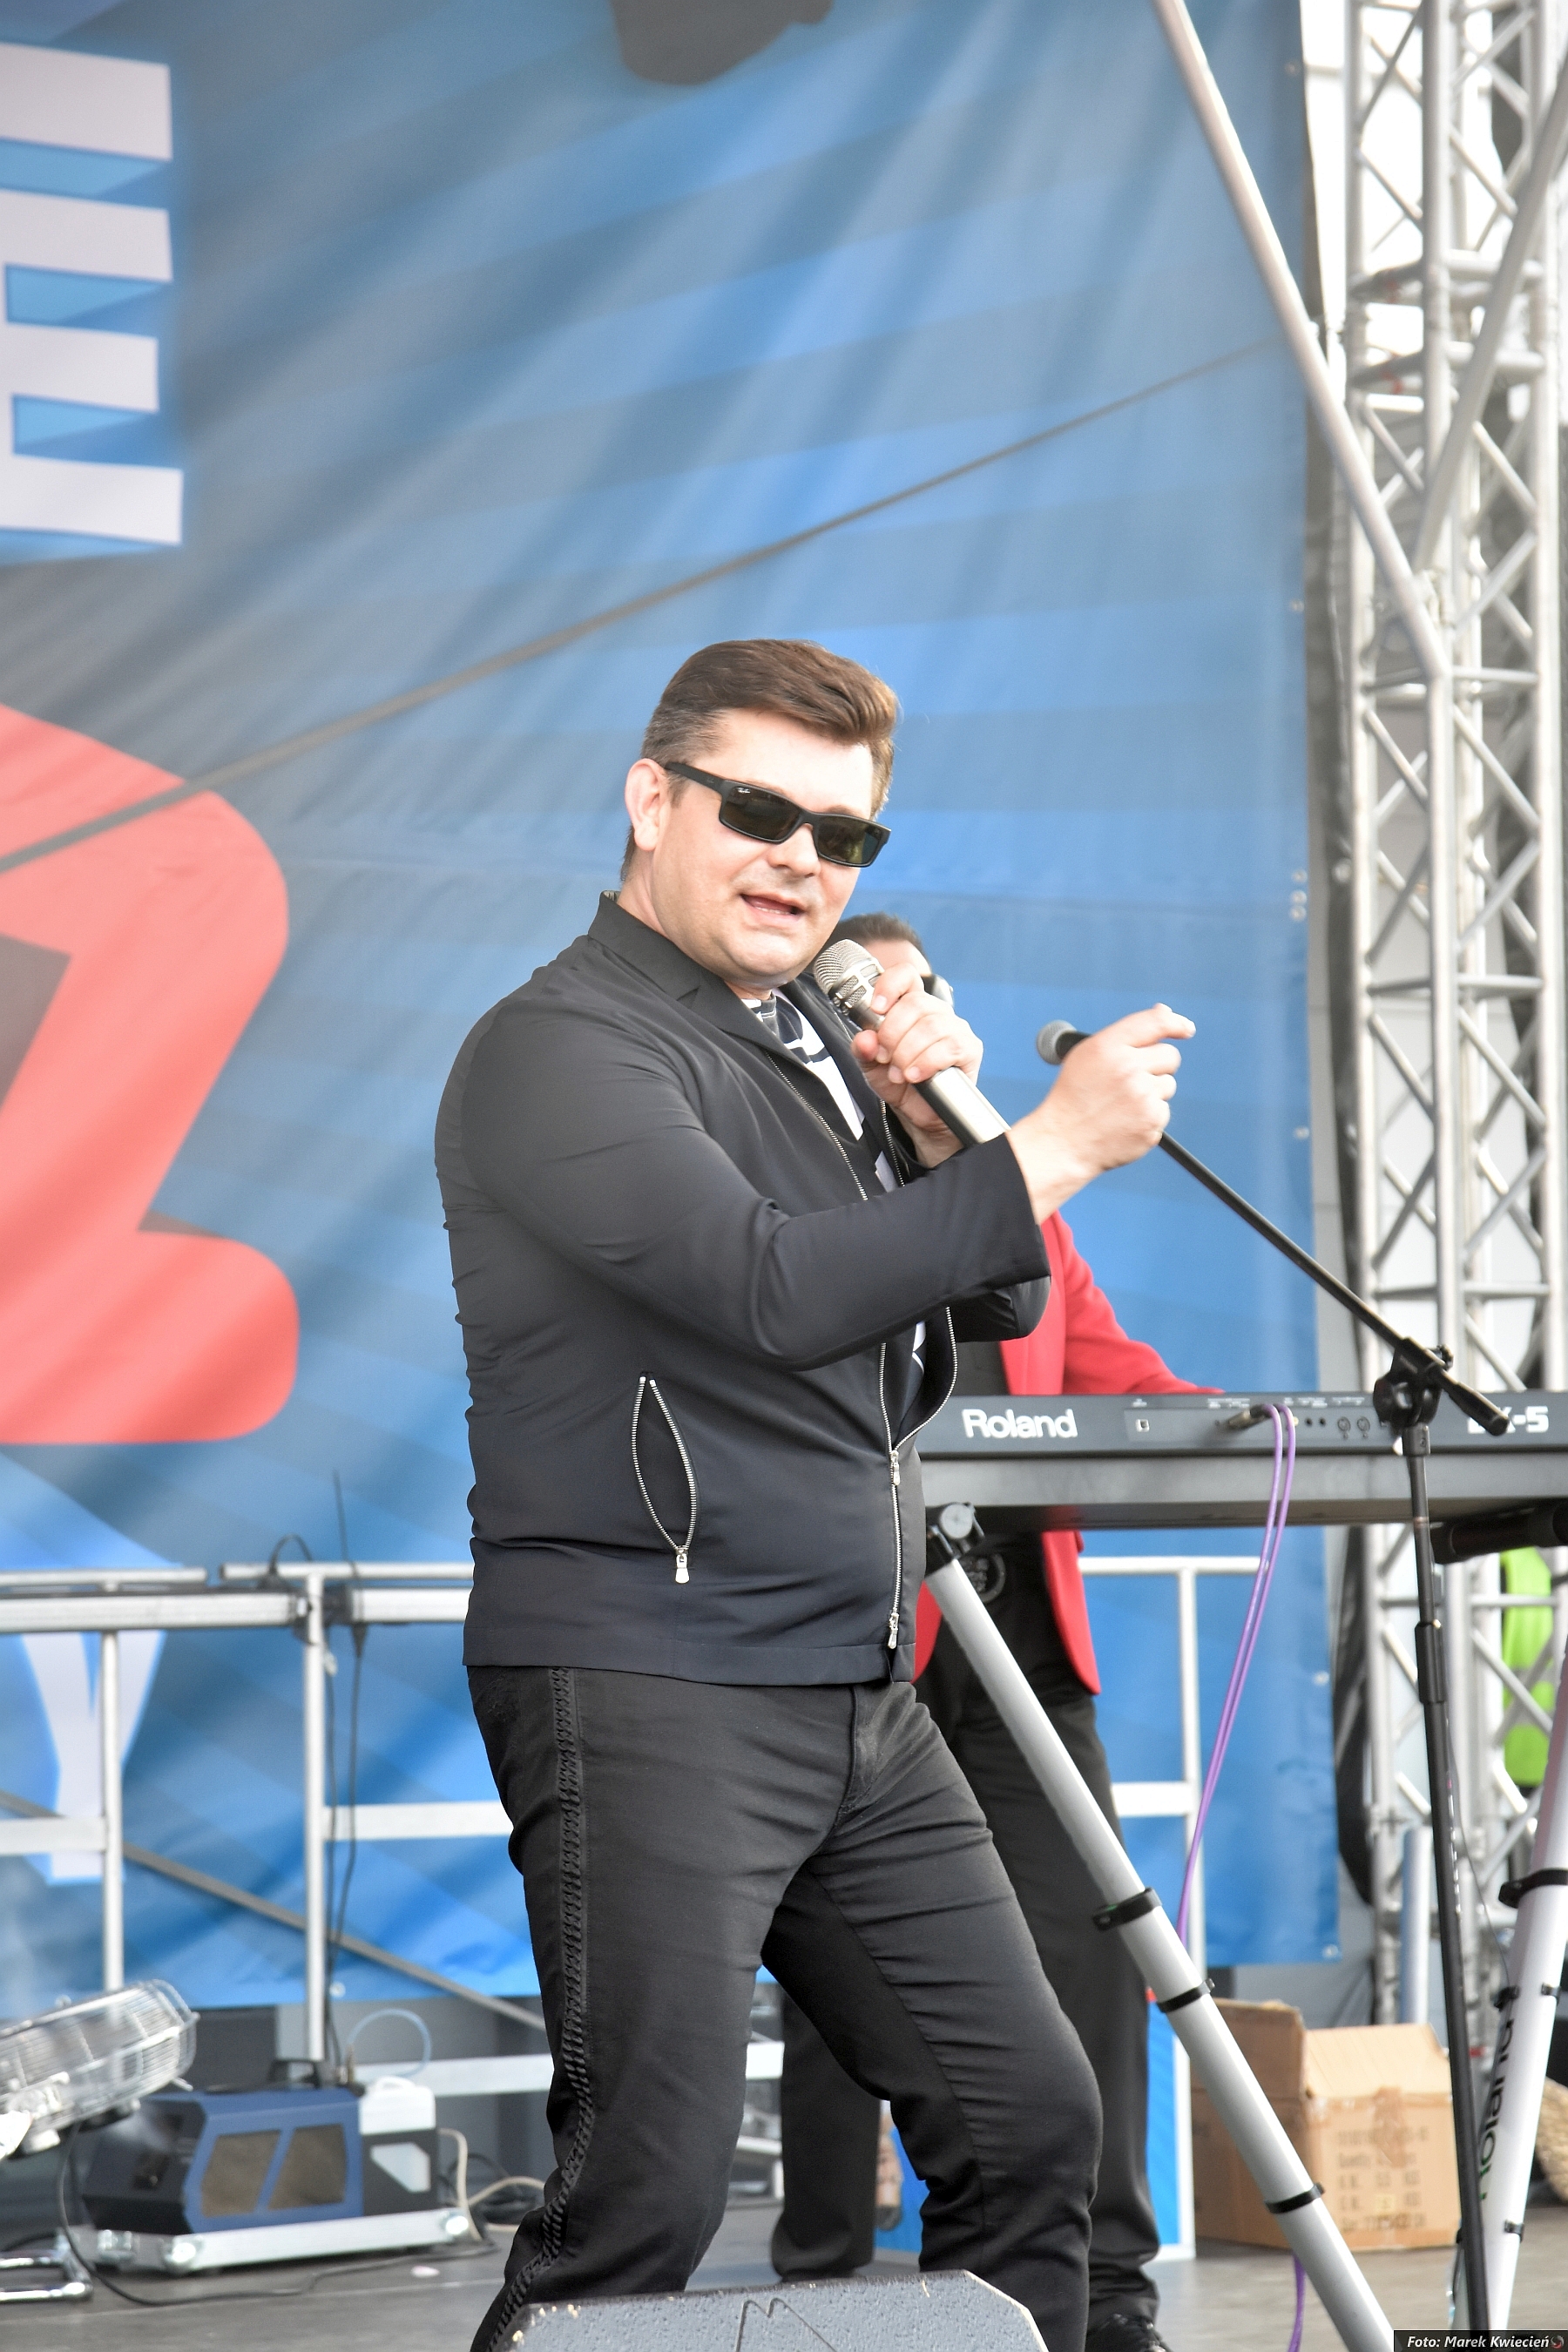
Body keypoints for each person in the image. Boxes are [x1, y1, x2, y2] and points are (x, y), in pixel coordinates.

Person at [435, 637, 1193, 2352]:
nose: (801, 860)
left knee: (1032, 2128)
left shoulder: (798, 1050)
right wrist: (1051, 1147)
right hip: (650, 1674)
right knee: (642, 2200)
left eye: (843, 836)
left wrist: (933, 1135)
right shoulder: (557, 1048)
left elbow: (959, 1316)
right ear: (652, 801)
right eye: (759, 813)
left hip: (854, 1685)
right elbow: (769, 1290)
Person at [770, 912, 1207, 2352]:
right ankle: (824, 2278)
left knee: (1094, 1956)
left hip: (1026, 1649)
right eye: (869, 998)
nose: (903, 1015)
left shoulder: (1027, 1202)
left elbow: (1114, 1378)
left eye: (921, 989)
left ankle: (1110, 2293)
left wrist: (1249, 1425)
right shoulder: (813, 1194)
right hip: (874, 1642)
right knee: (853, 1982)